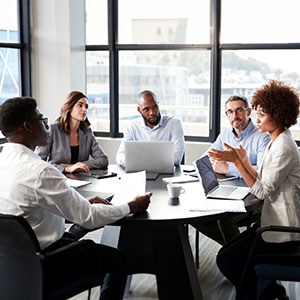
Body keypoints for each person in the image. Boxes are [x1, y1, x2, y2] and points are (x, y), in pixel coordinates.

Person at [0, 97, 151, 300]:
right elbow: (88, 217)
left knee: (77, 232)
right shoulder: (41, 171)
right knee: (117, 260)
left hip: (12, 265)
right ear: (27, 126)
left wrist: (80, 204)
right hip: (47, 262)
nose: (46, 125)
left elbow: (27, 205)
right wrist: (132, 206)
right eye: (41, 120)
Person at [209, 80, 300, 299]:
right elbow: (262, 178)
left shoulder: (284, 147)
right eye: (256, 113)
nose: (256, 119)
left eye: (261, 114)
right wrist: (242, 160)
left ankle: (268, 292)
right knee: (228, 255)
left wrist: (238, 162)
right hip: (270, 223)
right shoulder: (276, 140)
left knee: (228, 259)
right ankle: (271, 291)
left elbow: (261, 191)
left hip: (282, 230)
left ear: (277, 115)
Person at [191, 94, 270, 245]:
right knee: (195, 216)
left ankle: (236, 253)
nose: (235, 115)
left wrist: (228, 168)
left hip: (257, 198)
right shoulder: (226, 134)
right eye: (230, 112)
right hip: (230, 191)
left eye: (239, 110)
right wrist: (201, 166)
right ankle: (234, 249)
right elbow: (206, 157)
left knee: (224, 218)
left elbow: (261, 171)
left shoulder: (262, 136)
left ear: (248, 112)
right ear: (227, 115)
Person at [36, 91, 108, 173]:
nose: (84, 109)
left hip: (82, 180)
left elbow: (103, 160)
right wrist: (65, 168)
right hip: (57, 179)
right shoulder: (53, 129)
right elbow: (38, 162)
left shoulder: (87, 132)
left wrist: (78, 165)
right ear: (69, 108)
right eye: (80, 105)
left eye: (86, 106)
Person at [116, 90, 185, 166]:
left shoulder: (174, 124)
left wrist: (139, 162)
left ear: (158, 105)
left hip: (166, 173)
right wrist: (137, 163)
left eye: (155, 107)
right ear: (139, 110)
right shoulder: (132, 126)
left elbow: (177, 158)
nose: (152, 113)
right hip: (139, 172)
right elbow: (120, 156)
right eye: (146, 109)